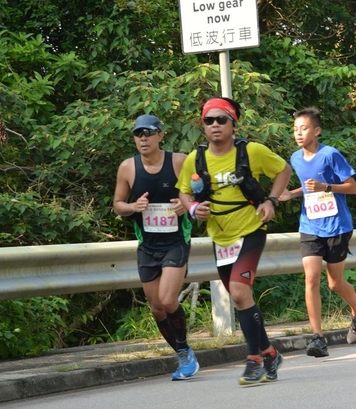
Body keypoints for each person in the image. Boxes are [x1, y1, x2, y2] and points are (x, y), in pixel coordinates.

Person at [177, 97, 292, 386]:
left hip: (250, 229)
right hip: (220, 237)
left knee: (240, 293)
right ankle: (270, 353)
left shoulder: (251, 151)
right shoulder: (195, 159)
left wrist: (271, 201)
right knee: (242, 299)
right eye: (209, 120)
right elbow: (184, 193)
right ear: (203, 125)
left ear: (233, 123)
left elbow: (283, 170)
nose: (215, 125)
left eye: (222, 119)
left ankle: (254, 360)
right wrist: (193, 208)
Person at [113, 114, 199, 380]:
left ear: (160, 135)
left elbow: (199, 191)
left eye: (148, 133)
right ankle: (183, 353)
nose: (143, 139)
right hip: (148, 245)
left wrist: (185, 203)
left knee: (168, 299)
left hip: (176, 241)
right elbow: (117, 204)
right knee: (156, 307)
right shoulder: (128, 167)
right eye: (138, 134)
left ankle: (184, 352)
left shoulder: (179, 161)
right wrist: (133, 206)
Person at [279, 106, 356, 357]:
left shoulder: (330, 154)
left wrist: (327, 187)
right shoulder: (295, 158)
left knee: (335, 283)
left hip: (337, 226)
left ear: (317, 130)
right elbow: (308, 187)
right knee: (311, 277)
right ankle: (318, 338)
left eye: (304, 129)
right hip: (310, 226)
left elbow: (352, 187)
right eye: (295, 129)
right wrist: (291, 194)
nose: (298, 134)